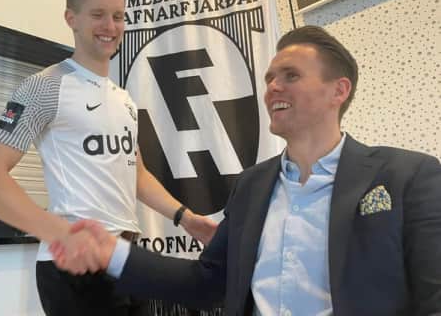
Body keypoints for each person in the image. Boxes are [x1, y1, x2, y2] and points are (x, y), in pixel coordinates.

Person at [50, 25, 441, 316]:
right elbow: (207, 283)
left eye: (291, 76)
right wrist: (113, 253)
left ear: (339, 91)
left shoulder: (408, 176)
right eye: (270, 78)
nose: (273, 88)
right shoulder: (251, 186)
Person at [0, 0, 217, 316]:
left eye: (118, 16)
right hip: (75, 268)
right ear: (71, 18)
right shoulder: (44, 87)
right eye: (98, 14)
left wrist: (185, 218)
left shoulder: (123, 99)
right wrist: (61, 234)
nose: (110, 26)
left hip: (126, 261)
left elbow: (137, 174)